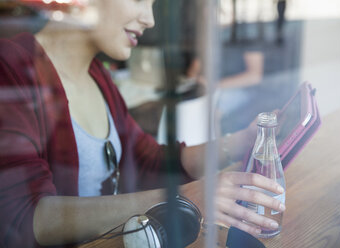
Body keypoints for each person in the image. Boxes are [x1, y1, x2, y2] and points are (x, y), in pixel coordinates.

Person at [0, 0, 285, 247]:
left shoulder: (98, 76)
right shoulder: (9, 67)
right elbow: (25, 215)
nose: (149, 19)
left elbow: (150, 160)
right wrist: (182, 199)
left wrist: (241, 142)